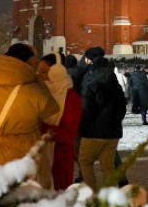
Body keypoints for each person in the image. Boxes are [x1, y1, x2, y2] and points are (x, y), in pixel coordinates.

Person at [0, 43, 60, 171]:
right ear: (30, 63)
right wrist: (38, 82)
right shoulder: (35, 91)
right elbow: (52, 110)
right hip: (26, 160)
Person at [78, 57, 127, 189]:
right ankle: (109, 198)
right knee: (108, 166)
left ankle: (91, 193)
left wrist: (83, 128)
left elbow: (87, 110)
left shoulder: (91, 85)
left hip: (93, 133)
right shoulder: (116, 86)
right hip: (113, 133)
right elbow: (122, 108)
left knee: (85, 162)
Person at [39, 59, 82, 190]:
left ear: (55, 72)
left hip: (59, 158)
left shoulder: (70, 97)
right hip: (41, 157)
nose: (40, 75)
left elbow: (68, 134)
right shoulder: (41, 92)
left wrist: (39, 128)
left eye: (44, 71)